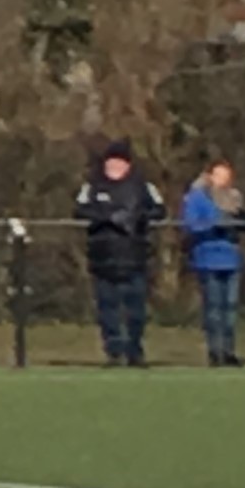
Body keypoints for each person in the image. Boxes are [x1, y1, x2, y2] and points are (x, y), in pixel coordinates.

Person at [76, 141, 158, 367]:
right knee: (107, 309)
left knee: (136, 310)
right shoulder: (93, 186)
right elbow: (80, 210)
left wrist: (136, 217)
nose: (113, 165)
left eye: (118, 161)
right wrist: (107, 218)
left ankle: (135, 351)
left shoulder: (142, 186)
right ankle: (113, 351)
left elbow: (159, 211)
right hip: (103, 258)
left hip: (134, 257)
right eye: (110, 161)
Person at [182, 158, 245, 368]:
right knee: (214, 309)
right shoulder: (197, 197)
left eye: (226, 175)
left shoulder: (235, 197)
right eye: (218, 174)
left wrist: (242, 221)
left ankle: (229, 351)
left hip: (231, 259)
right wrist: (214, 225)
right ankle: (215, 351)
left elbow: (244, 225)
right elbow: (191, 225)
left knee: (230, 309)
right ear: (209, 176)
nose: (223, 179)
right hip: (208, 258)